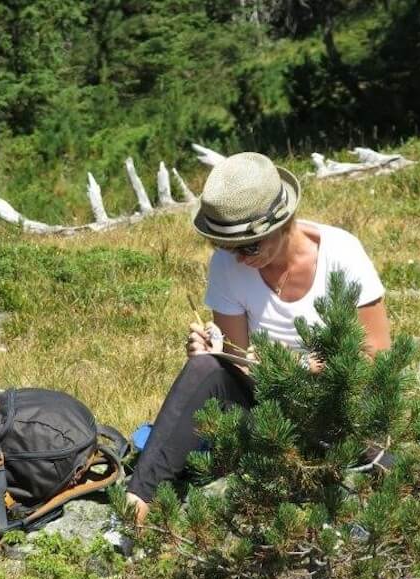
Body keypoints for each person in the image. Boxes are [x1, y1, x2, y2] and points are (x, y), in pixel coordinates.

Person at [126, 152, 391, 527]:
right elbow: (237, 359)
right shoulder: (228, 266)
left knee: (369, 449)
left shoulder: (342, 254)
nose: (238, 258)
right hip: (267, 401)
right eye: (226, 246)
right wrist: (217, 355)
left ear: (284, 223)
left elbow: (376, 358)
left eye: (249, 246)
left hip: (337, 398)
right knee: (205, 366)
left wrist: (299, 370)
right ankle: (137, 502)